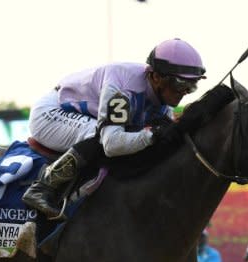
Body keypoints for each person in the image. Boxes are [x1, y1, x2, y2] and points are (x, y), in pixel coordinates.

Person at [23, 38, 213, 219]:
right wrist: (154, 134)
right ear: (155, 77)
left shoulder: (163, 103)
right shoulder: (122, 88)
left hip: (85, 114)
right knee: (99, 136)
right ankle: (42, 187)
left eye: (192, 85)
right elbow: (111, 145)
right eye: (179, 83)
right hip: (51, 112)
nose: (184, 92)